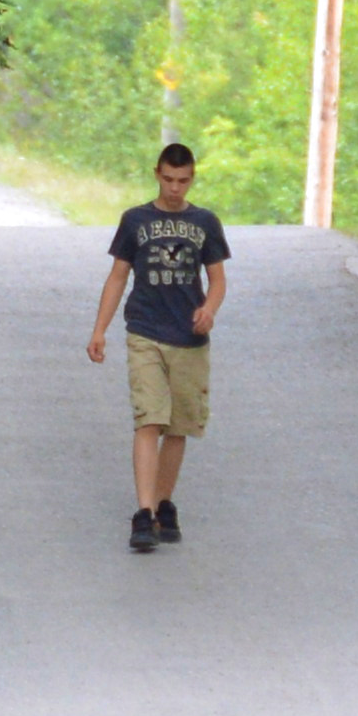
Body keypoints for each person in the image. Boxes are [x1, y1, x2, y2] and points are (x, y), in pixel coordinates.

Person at [90, 141, 233, 552]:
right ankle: (144, 512)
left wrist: (209, 308)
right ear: (157, 174)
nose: (175, 189)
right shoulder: (135, 220)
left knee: (179, 425)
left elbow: (218, 279)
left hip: (188, 337)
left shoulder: (205, 222)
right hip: (145, 332)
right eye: (168, 180)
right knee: (148, 419)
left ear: (192, 178)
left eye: (183, 181)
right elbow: (118, 276)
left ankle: (164, 504)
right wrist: (99, 329)